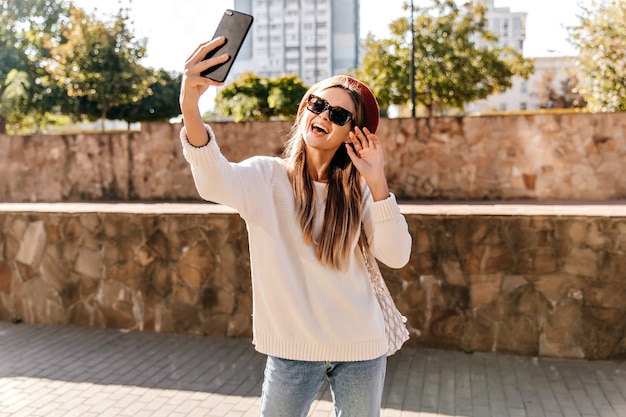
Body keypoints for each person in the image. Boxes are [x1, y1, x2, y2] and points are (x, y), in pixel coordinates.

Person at [179, 37, 412, 417]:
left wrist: (377, 179)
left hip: (362, 348)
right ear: (305, 108)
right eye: (317, 105)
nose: (322, 116)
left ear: (352, 132)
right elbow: (212, 181)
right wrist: (190, 104)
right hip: (292, 352)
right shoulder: (266, 177)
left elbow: (397, 255)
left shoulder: (362, 190)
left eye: (338, 115)